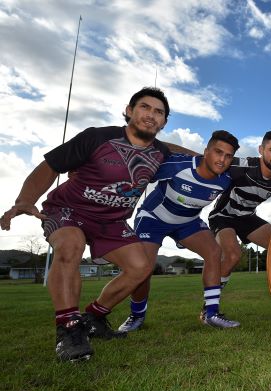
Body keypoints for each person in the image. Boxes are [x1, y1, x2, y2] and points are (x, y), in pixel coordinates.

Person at [0, 87, 174, 362]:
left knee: (141, 267)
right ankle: (69, 329)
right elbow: (51, 166)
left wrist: (212, 155)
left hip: (111, 220)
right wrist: (24, 200)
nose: (151, 115)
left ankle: (93, 317)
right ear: (129, 111)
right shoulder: (97, 137)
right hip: (69, 210)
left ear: (164, 122)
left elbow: (183, 153)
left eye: (159, 112)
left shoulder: (161, 152)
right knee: (70, 246)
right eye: (144, 107)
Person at [118, 130, 241, 333]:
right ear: (205, 151)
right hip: (154, 218)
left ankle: (211, 313)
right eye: (218, 152)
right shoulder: (176, 165)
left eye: (228, 156)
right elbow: (146, 158)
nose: (222, 160)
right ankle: (137, 315)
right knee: (144, 268)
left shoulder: (226, 179)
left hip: (188, 222)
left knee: (214, 252)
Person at [208, 130, 271, 293]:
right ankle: (210, 307)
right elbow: (207, 162)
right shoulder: (240, 166)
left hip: (247, 218)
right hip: (223, 216)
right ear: (261, 150)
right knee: (233, 255)